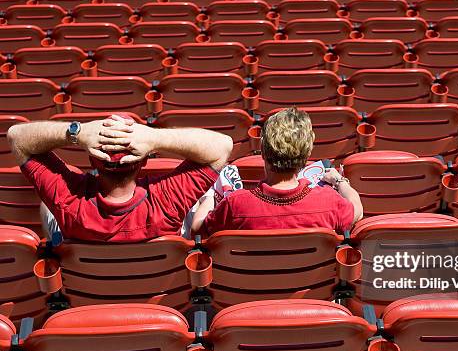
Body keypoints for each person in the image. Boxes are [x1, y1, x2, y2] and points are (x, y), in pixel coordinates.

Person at [8, 114, 233, 242]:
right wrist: (154, 137)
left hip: (87, 303)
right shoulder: (168, 200)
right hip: (159, 306)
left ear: (93, 161)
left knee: (47, 207)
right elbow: (223, 146)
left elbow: (16, 137)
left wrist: (77, 132)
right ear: (144, 161)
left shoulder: (69, 200)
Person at [192, 107, 363, 236]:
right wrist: (338, 180)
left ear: (263, 151)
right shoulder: (329, 201)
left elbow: (197, 228)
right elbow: (358, 210)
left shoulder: (235, 204)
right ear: (307, 154)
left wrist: (209, 197)